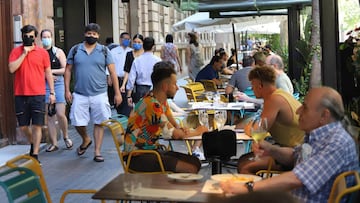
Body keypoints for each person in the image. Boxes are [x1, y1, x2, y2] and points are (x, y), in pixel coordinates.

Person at [222, 87, 359, 203]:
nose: (298, 111)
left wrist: (248, 188)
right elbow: (296, 156)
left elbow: (297, 178)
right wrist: (272, 150)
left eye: (304, 107)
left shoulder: (337, 142)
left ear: (324, 115)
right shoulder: (321, 135)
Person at [124, 61, 208, 173]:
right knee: (190, 167)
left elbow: (172, 121)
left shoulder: (158, 100)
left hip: (150, 150)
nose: (177, 88)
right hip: (137, 156)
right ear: (165, 86)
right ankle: (170, 189)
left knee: (195, 162)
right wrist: (199, 131)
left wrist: (180, 128)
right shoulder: (152, 105)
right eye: (174, 84)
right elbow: (175, 134)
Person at [64, 23, 121, 162]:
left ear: (98, 36)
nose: (91, 36)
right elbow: (68, 70)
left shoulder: (104, 51)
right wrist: (67, 90)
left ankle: (97, 151)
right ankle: (85, 139)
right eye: (89, 33)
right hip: (79, 93)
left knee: (100, 122)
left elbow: (113, 72)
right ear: (85, 34)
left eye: (94, 34)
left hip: (100, 93)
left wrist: (117, 93)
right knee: (77, 121)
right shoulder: (75, 49)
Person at [237, 65, 304, 174]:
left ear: (260, 85)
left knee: (245, 165)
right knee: (244, 160)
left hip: (295, 155)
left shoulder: (273, 100)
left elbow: (258, 130)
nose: (252, 90)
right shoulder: (281, 94)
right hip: (292, 149)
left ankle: (257, 190)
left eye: (253, 86)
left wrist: (250, 128)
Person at [8, 25, 56, 162]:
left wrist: (52, 92)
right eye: (25, 36)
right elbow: (12, 69)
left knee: (37, 125)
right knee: (23, 126)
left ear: (35, 37)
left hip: (38, 94)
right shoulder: (16, 51)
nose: (28, 38)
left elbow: (48, 73)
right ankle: (33, 143)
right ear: (22, 36)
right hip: (21, 94)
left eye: (31, 36)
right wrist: (24, 53)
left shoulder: (42, 53)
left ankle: (35, 154)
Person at [40, 29, 73, 152]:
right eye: (44, 37)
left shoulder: (58, 52)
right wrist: (46, 75)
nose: (46, 39)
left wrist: (50, 72)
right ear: (41, 39)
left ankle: (65, 136)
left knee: (60, 113)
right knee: (49, 115)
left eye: (48, 36)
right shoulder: (39, 52)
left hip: (58, 83)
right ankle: (54, 143)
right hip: (43, 84)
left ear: (52, 38)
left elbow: (65, 69)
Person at [126, 36, 161, 105]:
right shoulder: (158, 61)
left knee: (140, 113)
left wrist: (129, 96)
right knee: (154, 113)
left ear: (143, 46)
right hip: (155, 90)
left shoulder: (137, 60)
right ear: (153, 47)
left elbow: (131, 79)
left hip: (140, 91)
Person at [109, 32, 132, 116]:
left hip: (128, 79)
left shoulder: (131, 51)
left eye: (128, 39)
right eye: (125, 39)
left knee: (127, 99)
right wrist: (109, 76)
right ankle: (119, 114)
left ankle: (126, 116)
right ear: (120, 39)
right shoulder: (114, 51)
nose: (126, 41)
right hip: (117, 78)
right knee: (117, 99)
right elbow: (109, 64)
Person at [121, 34, 144, 112]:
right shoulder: (129, 54)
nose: (136, 44)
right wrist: (123, 85)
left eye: (139, 42)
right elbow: (127, 71)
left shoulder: (145, 55)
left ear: (142, 43)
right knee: (132, 105)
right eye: (135, 42)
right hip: (131, 84)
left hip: (142, 84)